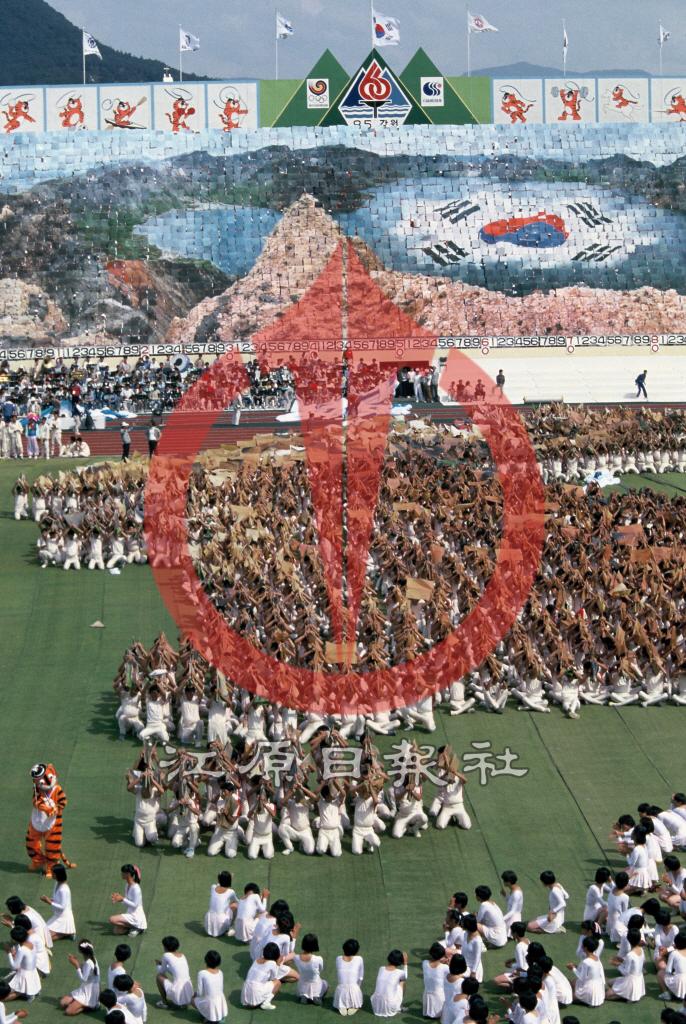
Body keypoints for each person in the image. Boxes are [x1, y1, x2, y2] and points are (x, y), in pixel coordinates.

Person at [60, 941, 100, 1015]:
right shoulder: (90, 959)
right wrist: (77, 962)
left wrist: (76, 965)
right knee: (63, 1003)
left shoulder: (89, 962)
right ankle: (81, 1004)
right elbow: (85, 970)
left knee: (68, 1011)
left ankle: (90, 1006)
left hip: (89, 992)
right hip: (84, 988)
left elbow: (83, 979)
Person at [241, 941, 282, 1010]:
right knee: (278, 983)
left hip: (245, 995)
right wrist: (278, 964)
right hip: (256, 993)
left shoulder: (256, 960)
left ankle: (259, 1000)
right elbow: (274, 978)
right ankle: (266, 1003)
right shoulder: (272, 963)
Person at [155, 935, 193, 1009]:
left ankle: (164, 1002)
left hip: (177, 994)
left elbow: (161, 971)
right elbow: (175, 970)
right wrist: (165, 966)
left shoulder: (166, 955)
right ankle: (183, 1003)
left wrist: (158, 965)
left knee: (159, 976)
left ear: (165, 947)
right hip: (189, 993)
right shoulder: (182, 955)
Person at [40, 864, 75, 940]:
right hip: (58, 916)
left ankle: (67, 932)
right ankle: (66, 932)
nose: (51, 874)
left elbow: (62, 907)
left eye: (53, 873)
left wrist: (49, 902)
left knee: (45, 938)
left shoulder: (64, 889)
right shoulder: (57, 883)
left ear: (57, 875)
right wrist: (49, 899)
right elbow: (57, 899)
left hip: (64, 918)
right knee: (43, 934)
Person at [6, 926, 41, 1002]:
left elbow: (14, 967)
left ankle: (26, 993)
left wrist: (9, 953)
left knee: (4, 995)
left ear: (15, 939)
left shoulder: (22, 950)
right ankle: (31, 992)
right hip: (32, 973)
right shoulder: (31, 943)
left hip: (23, 975)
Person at [109, 865, 146, 936]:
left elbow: (135, 905)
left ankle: (138, 927)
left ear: (128, 874)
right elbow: (127, 902)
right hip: (130, 914)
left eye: (123, 873)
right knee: (116, 931)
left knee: (112, 919)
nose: (121, 874)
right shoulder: (127, 885)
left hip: (136, 917)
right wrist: (118, 899)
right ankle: (134, 928)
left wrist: (122, 898)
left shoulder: (136, 888)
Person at [370, 949, 408, 1018]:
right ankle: (399, 1007)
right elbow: (405, 977)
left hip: (376, 1006)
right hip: (390, 1006)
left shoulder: (381, 968)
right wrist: (405, 964)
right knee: (402, 982)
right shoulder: (400, 973)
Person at [194, 949, 228, 1023]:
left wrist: (194, 995)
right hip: (220, 1002)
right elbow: (221, 989)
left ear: (206, 960)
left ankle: (207, 1017)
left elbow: (199, 993)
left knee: (193, 1000)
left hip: (209, 1003)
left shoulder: (202, 973)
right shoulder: (220, 972)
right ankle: (215, 1018)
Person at [293, 933, 327, 1006]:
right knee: (325, 983)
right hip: (316, 985)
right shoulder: (318, 959)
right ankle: (317, 996)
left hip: (302, 986)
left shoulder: (296, 958)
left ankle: (304, 995)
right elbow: (320, 969)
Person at [333, 938, 364, 1016]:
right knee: (355, 989)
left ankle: (342, 1005)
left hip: (340, 991)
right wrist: (357, 989)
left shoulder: (338, 958)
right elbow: (360, 977)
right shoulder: (359, 959)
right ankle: (354, 1005)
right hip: (354, 990)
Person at [204, 872, 237, 938]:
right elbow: (236, 901)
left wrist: (226, 878)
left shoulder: (213, 887)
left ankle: (225, 927)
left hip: (208, 926)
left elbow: (219, 884)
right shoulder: (231, 891)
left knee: (228, 905)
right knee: (236, 905)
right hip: (220, 924)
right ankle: (229, 928)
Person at [421, 942, 449, 1019]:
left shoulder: (424, 963)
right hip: (439, 998)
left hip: (427, 997)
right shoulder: (445, 967)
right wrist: (447, 963)